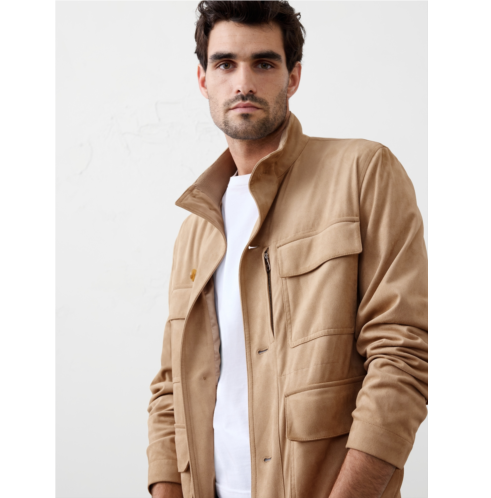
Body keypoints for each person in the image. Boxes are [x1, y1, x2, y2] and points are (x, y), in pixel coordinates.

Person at [147, 1, 428, 497]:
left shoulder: (361, 173)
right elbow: (171, 390)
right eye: (225, 64)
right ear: (203, 79)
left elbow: (403, 352)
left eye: (264, 63)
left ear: (293, 77)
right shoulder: (196, 229)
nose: (243, 83)